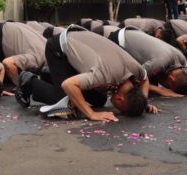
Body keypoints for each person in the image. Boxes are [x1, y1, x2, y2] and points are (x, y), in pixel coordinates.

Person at [14, 26, 158, 121]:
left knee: (100, 100)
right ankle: (28, 81)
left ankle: (49, 76)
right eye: (119, 109)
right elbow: (69, 84)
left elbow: (145, 80)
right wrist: (91, 114)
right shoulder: (105, 74)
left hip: (79, 43)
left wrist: (142, 101)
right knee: (65, 103)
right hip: (59, 48)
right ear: (119, 99)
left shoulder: (136, 69)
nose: (115, 109)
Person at [105, 26, 187, 97]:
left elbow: (182, 79)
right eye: (169, 87)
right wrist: (160, 90)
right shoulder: (160, 62)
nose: (167, 88)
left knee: (151, 79)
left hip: (133, 34)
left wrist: (184, 88)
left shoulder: (183, 60)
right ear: (171, 79)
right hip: (119, 39)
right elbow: (136, 78)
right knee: (131, 83)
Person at [0, 22, 46, 87]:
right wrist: (19, 85)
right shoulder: (36, 58)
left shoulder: (47, 45)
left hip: (10, 27)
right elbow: (7, 63)